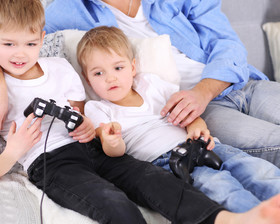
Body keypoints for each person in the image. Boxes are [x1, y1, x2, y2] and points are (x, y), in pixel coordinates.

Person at [0, 0, 271, 224]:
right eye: (9, 45)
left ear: (42, 39)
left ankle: (223, 218)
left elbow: (82, 117)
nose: (20, 53)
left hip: (99, 146)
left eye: (30, 44)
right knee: (113, 202)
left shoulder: (58, 67)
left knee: (155, 182)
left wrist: (85, 128)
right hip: (53, 162)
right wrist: (12, 144)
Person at [77, 25, 280, 213]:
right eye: (98, 73)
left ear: (132, 68)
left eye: (118, 68)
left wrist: (196, 126)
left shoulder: (150, 84)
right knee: (220, 188)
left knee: (256, 169)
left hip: (202, 145)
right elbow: (114, 152)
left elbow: (188, 113)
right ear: (87, 79)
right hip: (170, 161)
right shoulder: (97, 108)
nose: (110, 78)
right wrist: (112, 141)